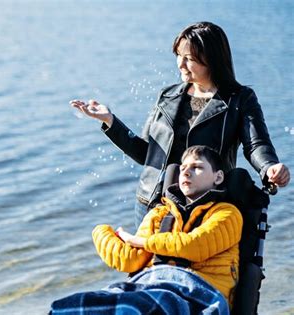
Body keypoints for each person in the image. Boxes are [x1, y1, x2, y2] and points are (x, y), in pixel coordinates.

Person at [71, 21, 290, 228]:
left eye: (189, 58)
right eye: (178, 55)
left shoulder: (240, 99)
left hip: (205, 206)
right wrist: (110, 121)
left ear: (211, 59)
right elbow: (146, 154)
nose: (181, 64)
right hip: (152, 203)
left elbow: (256, 144)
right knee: (146, 267)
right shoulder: (167, 96)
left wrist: (269, 167)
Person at [51, 145, 241, 314]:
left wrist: (140, 241)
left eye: (197, 167)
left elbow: (195, 246)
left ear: (218, 177)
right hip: (148, 283)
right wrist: (100, 231)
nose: (186, 172)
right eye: (183, 168)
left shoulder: (227, 214)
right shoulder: (159, 214)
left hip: (198, 291)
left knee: (134, 308)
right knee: (72, 306)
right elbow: (131, 260)